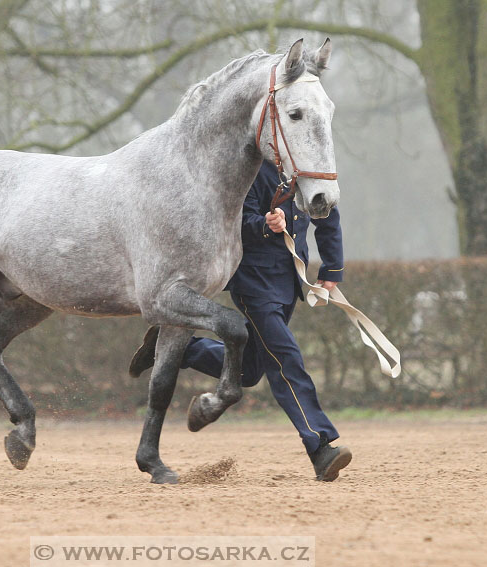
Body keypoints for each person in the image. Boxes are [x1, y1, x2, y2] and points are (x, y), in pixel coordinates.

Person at [129, 159, 351, 481]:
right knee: (285, 359)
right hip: (254, 282)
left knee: (249, 370)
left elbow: (326, 210)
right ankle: (320, 446)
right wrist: (263, 224)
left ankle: (182, 350)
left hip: (288, 283)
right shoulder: (248, 167)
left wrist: (331, 268)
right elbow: (232, 219)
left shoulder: (307, 166)